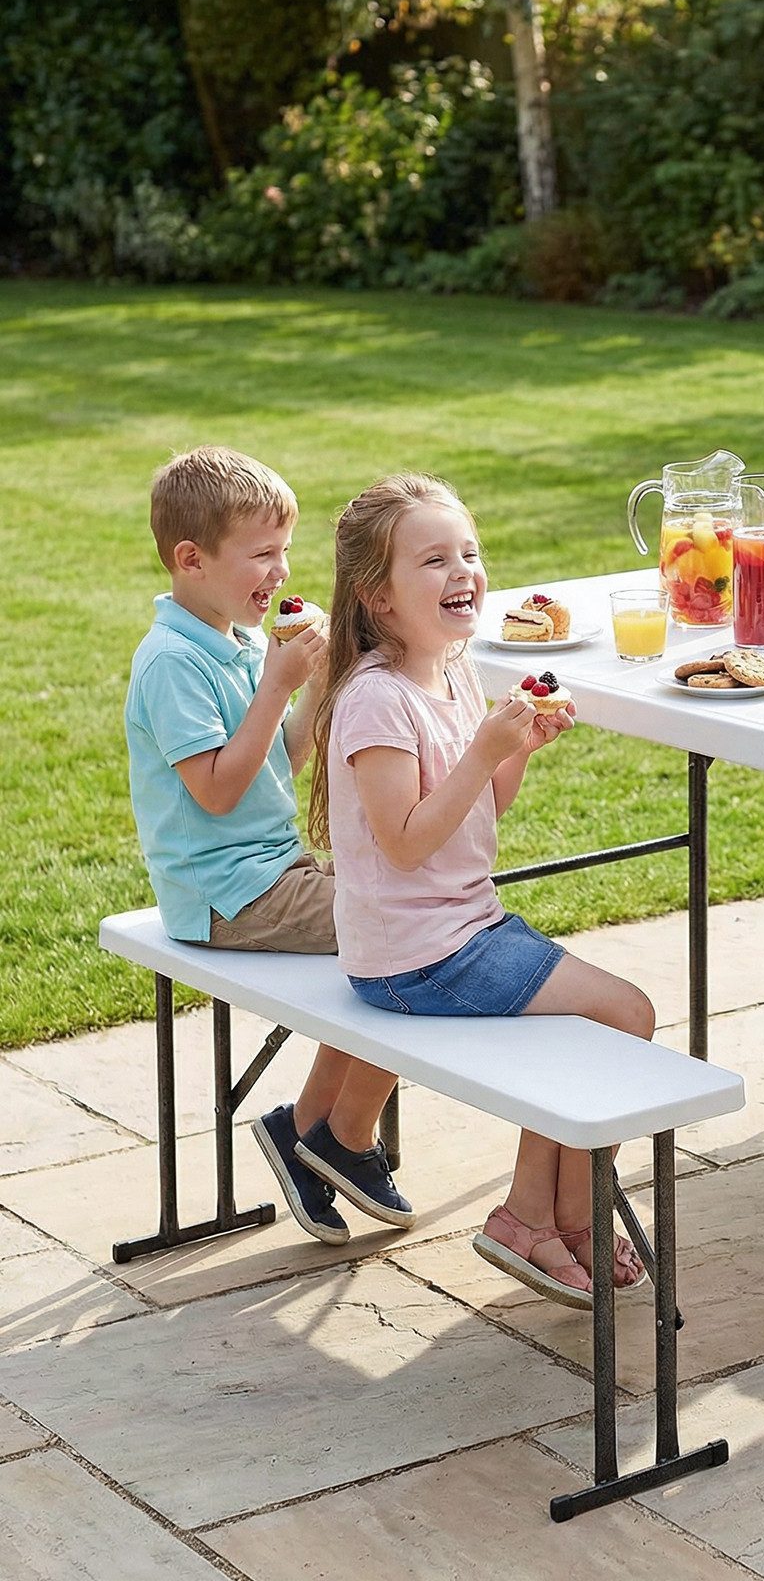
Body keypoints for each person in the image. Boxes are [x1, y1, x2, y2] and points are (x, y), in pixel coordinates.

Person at [308, 472, 656, 1307]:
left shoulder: (455, 674)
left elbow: (484, 805)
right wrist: (480, 750)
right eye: (432, 560)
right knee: (624, 1014)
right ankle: (541, 1216)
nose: (462, 570)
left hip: (461, 931)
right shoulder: (375, 702)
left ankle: (558, 1219)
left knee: (603, 1021)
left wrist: (517, 747)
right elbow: (403, 845)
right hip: (415, 955)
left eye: (469, 552)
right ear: (379, 598)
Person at [125, 445, 402, 1249]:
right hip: (224, 894)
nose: (282, 572)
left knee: (398, 924)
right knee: (409, 932)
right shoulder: (173, 661)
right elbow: (216, 787)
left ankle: (307, 1129)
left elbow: (278, 761)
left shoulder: (238, 638)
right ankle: (335, 1139)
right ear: (191, 559)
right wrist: (279, 683)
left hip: (267, 872)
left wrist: (312, 680)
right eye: (263, 555)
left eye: (285, 551)